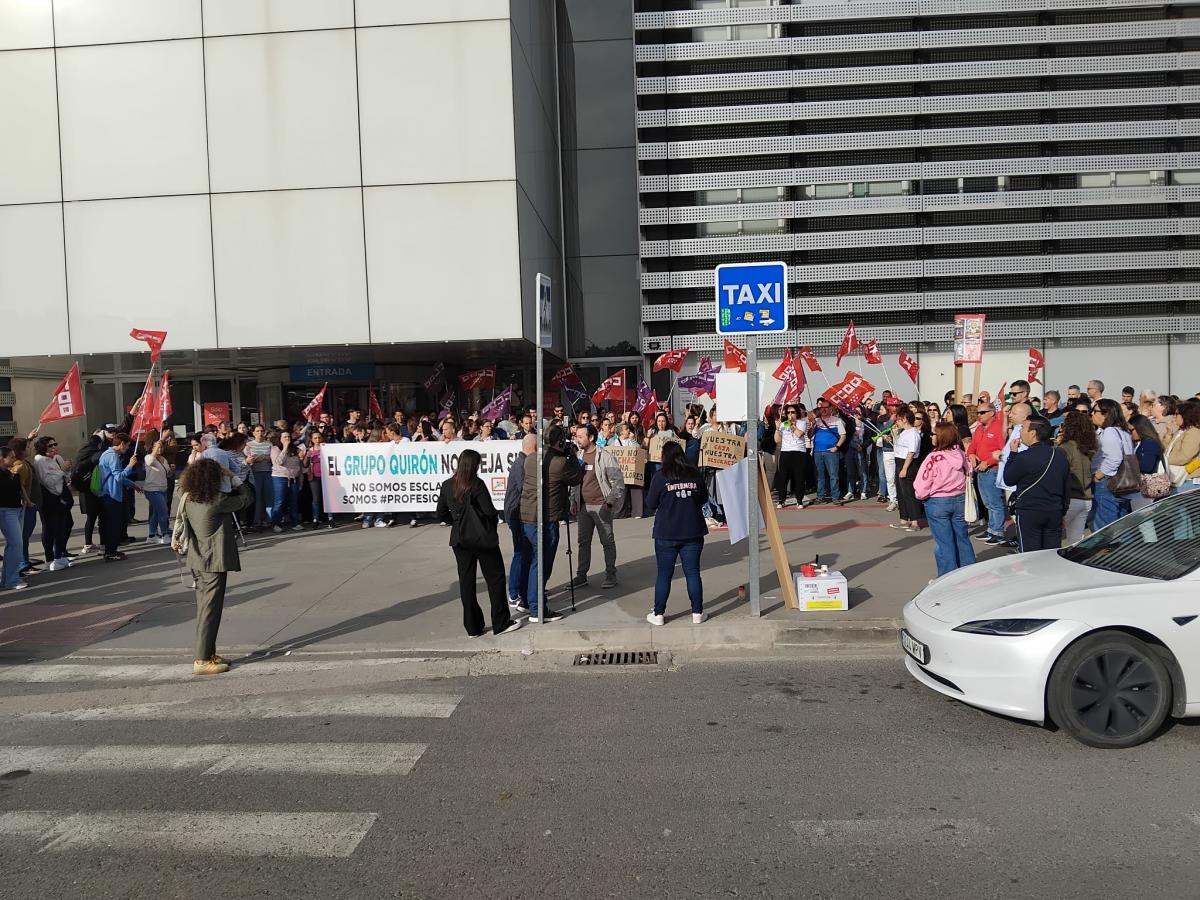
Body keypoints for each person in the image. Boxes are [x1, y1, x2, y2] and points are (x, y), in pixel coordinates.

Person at [173, 459, 253, 675]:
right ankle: (201, 659)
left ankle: (208, 653)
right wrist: (234, 478)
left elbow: (180, 486)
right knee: (210, 611)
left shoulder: (187, 497)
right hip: (213, 560)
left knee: (204, 608)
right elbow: (247, 498)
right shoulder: (217, 501)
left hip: (197, 559)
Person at [435, 449, 522, 638]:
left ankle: (472, 627)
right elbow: (489, 511)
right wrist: (487, 525)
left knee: (466, 583)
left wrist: (457, 522)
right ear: (474, 465)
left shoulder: (447, 485)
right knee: (495, 578)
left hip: (459, 539)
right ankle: (500, 622)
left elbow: (440, 513)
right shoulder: (476, 484)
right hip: (481, 538)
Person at [518, 424, 583, 623]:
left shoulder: (530, 459)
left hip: (527, 516)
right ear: (559, 442)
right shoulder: (559, 463)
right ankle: (537, 609)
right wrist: (572, 457)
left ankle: (528, 601)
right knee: (542, 564)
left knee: (532, 560)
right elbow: (576, 477)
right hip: (546, 519)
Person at [644, 441, 709, 626]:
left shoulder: (660, 477)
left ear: (664, 457)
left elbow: (651, 503)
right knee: (693, 573)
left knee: (664, 575)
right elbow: (703, 498)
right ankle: (697, 612)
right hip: (692, 531)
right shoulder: (695, 474)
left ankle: (658, 614)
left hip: (666, 532)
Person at [914, 423, 976, 576]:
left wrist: (921, 496)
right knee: (962, 538)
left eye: (934, 434)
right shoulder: (960, 454)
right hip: (959, 499)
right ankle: (969, 574)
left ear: (941, 437)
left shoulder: (933, 458)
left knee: (944, 543)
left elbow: (922, 484)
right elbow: (969, 470)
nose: (932, 436)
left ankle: (947, 576)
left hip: (938, 502)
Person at [570, 424, 626, 590]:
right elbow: (574, 482)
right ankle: (581, 576)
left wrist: (609, 502)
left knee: (607, 541)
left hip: (601, 506)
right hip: (583, 507)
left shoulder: (605, 456)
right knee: (583, 542)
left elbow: (618, 482)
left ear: (591, 437)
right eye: (577, 436)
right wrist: (573, 500)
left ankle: (611, 575)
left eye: (581, 436)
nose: (578, 440)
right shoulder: (578, 456)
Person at [1004, 416, 1070, 551]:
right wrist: (1063, 511)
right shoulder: (1059, 455)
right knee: (1051, 553)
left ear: (1033, 433)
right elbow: (1066, 487)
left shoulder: (1024, 457)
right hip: (1054, 511)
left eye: (1023, 428)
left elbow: (1008, 479)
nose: (1020, 431)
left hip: (1030, 511)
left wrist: (1013, 454)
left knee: (1030, 555)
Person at [1090, 398, 1134, 530]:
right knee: (1121, 525)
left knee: (1104, 527)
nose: (1092, 414)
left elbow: (1114, 458)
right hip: (1123, 482)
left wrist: (1098, 475)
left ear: (1106, 414)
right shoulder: (1123, 431)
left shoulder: (1110, 432)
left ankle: (1107, 545)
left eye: (1095, 411)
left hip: (1108, 481)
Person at [503, 434, 536, 611]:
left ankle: (526, 587)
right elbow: (526, 487)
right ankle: (514, 593)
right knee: (521, 553)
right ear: (533, 447)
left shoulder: (523, 462)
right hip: (517, 513)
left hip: (519, 512)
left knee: (526, 552)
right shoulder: (522, 464)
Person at [970, 397, 1009, 546]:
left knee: (995, 502)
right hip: (980, 469)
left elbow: (1003, 451)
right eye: (978, 413)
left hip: (992, 469)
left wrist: (988, 462)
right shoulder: (980, 428)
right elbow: (973, 446)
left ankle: (998, 532)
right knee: (987, 502)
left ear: (992, 413)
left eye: (982, 412)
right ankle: (991, 529)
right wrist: (971, 454)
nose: (979, 415)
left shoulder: (998, 427)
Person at [97, 433, 140, 562]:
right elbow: (119, 476)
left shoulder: (107, 454)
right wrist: (130, 465)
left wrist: (133, 485)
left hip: (107, 494)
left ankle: (110, 550)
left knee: (110, 524)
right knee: (113, 525)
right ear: (121, 444)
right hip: (111, 495)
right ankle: (110, 552)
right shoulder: (112, 456)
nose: (127, 448)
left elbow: (117, 476)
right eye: (127, 445)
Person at [1057, 409, 1097, 544]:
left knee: (1055, 539)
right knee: (1076, 540)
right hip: (1086, 497)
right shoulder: (1090, 447)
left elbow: (1059, 474)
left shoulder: (1065, 448)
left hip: (1070, 499)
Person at [0, 448, 30, 591]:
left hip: (18, 509)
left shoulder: (11, 472)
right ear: (2, 458)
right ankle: (11, 580)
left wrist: (27, 501)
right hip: (6, 511)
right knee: (16, 544)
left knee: (14, 545)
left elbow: (20, 488)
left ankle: (8, 579)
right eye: (11, 457)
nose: (13, 459)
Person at [891, 409, 923, 533]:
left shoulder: (913, 433)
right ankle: (904, 519)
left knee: (909, 493)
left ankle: (915, 522)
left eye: (898, 419)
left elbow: (911, 452)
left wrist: (904, 468)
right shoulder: (904, 432)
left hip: (908, 464)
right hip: (899, 462)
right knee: (901, 493)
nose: (897, 422)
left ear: (905, 419)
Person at [811, 398, 846, 504]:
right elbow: (809, 435)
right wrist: (812, 425)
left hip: (831, 452)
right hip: (817, 451)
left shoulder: (837, 420)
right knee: (820, 476)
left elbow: (843, 436)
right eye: (822, 408)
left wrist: (837, 447)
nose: (824, 409)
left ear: (831, 409)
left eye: (826, 407)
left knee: (833, 475)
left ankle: (835, 497)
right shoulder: (816, 421)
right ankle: (820, 496)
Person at [773, 404, 809, 508]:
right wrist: (777, 429)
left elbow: (799, 434)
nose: (790, 414)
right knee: (783, 477)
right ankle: (781, 500)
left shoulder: (802, 423)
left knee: (799, 477)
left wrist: (792, 424)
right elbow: (777, 440)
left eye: (792, 412)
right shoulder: (783, 424)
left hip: (799, 452)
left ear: (797, 413)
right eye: (788, 412)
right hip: (786, 452)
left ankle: (799, 500)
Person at [269, 429, 304, 532]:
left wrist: (300, 478)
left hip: (294, 478)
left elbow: (299, 464)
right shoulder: (275, 449)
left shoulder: (295, 449)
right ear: (280, 438)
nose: (287, 439)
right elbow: (278, 462)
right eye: (284, 437)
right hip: (280, 477)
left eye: (288, 437)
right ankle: (276, 524)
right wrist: (284, 448)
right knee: (279, 501)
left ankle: (295, 523)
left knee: (294, 501)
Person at [141, 438, 172, 545]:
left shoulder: (163, 459)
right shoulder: (148, 457)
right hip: (152, 490)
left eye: (161, 447)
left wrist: (171, 470)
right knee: (163, 511)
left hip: (163, 489)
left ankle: (152, 535)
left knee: (156, 512)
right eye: (156, 446)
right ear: (152, 448)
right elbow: (150, 461)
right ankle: (165, 534)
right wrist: (156, 448)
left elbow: (167, 474)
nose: (159, 449)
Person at [1166, 398, 1200, 493]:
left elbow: (1184, 457)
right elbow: (1166, 450)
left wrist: (1164, 461)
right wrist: (1168, 434)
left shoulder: (1193, 432)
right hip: (1175, 476)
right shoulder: (1180, 431)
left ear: (1185, 415)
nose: (1174, 417)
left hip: (1188, 479)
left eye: (1176, 414)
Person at [243, 424, 274, 529]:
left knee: (268, 496)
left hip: (268, 472)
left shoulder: (269, 444)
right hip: (255, 473)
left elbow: (272, 457)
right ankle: (257, 520)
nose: (260, 433)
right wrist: (257, 458)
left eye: (261, 431)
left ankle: (269, 519)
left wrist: (264, 457)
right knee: (257, 497)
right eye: (257, 431)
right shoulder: (249, 445)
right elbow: (248, 458)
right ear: (253, 433)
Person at [305, 430, 335, 528]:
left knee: (329, 498)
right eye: (315, 438)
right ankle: (315, 519)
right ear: (312, 439)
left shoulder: (326, 448)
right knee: (316, 499)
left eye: (319, 437)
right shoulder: (310, 450)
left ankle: (330, 518)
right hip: (314, 477)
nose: (317, 440)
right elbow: (305, 464)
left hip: (327, 477)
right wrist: (307, 456)